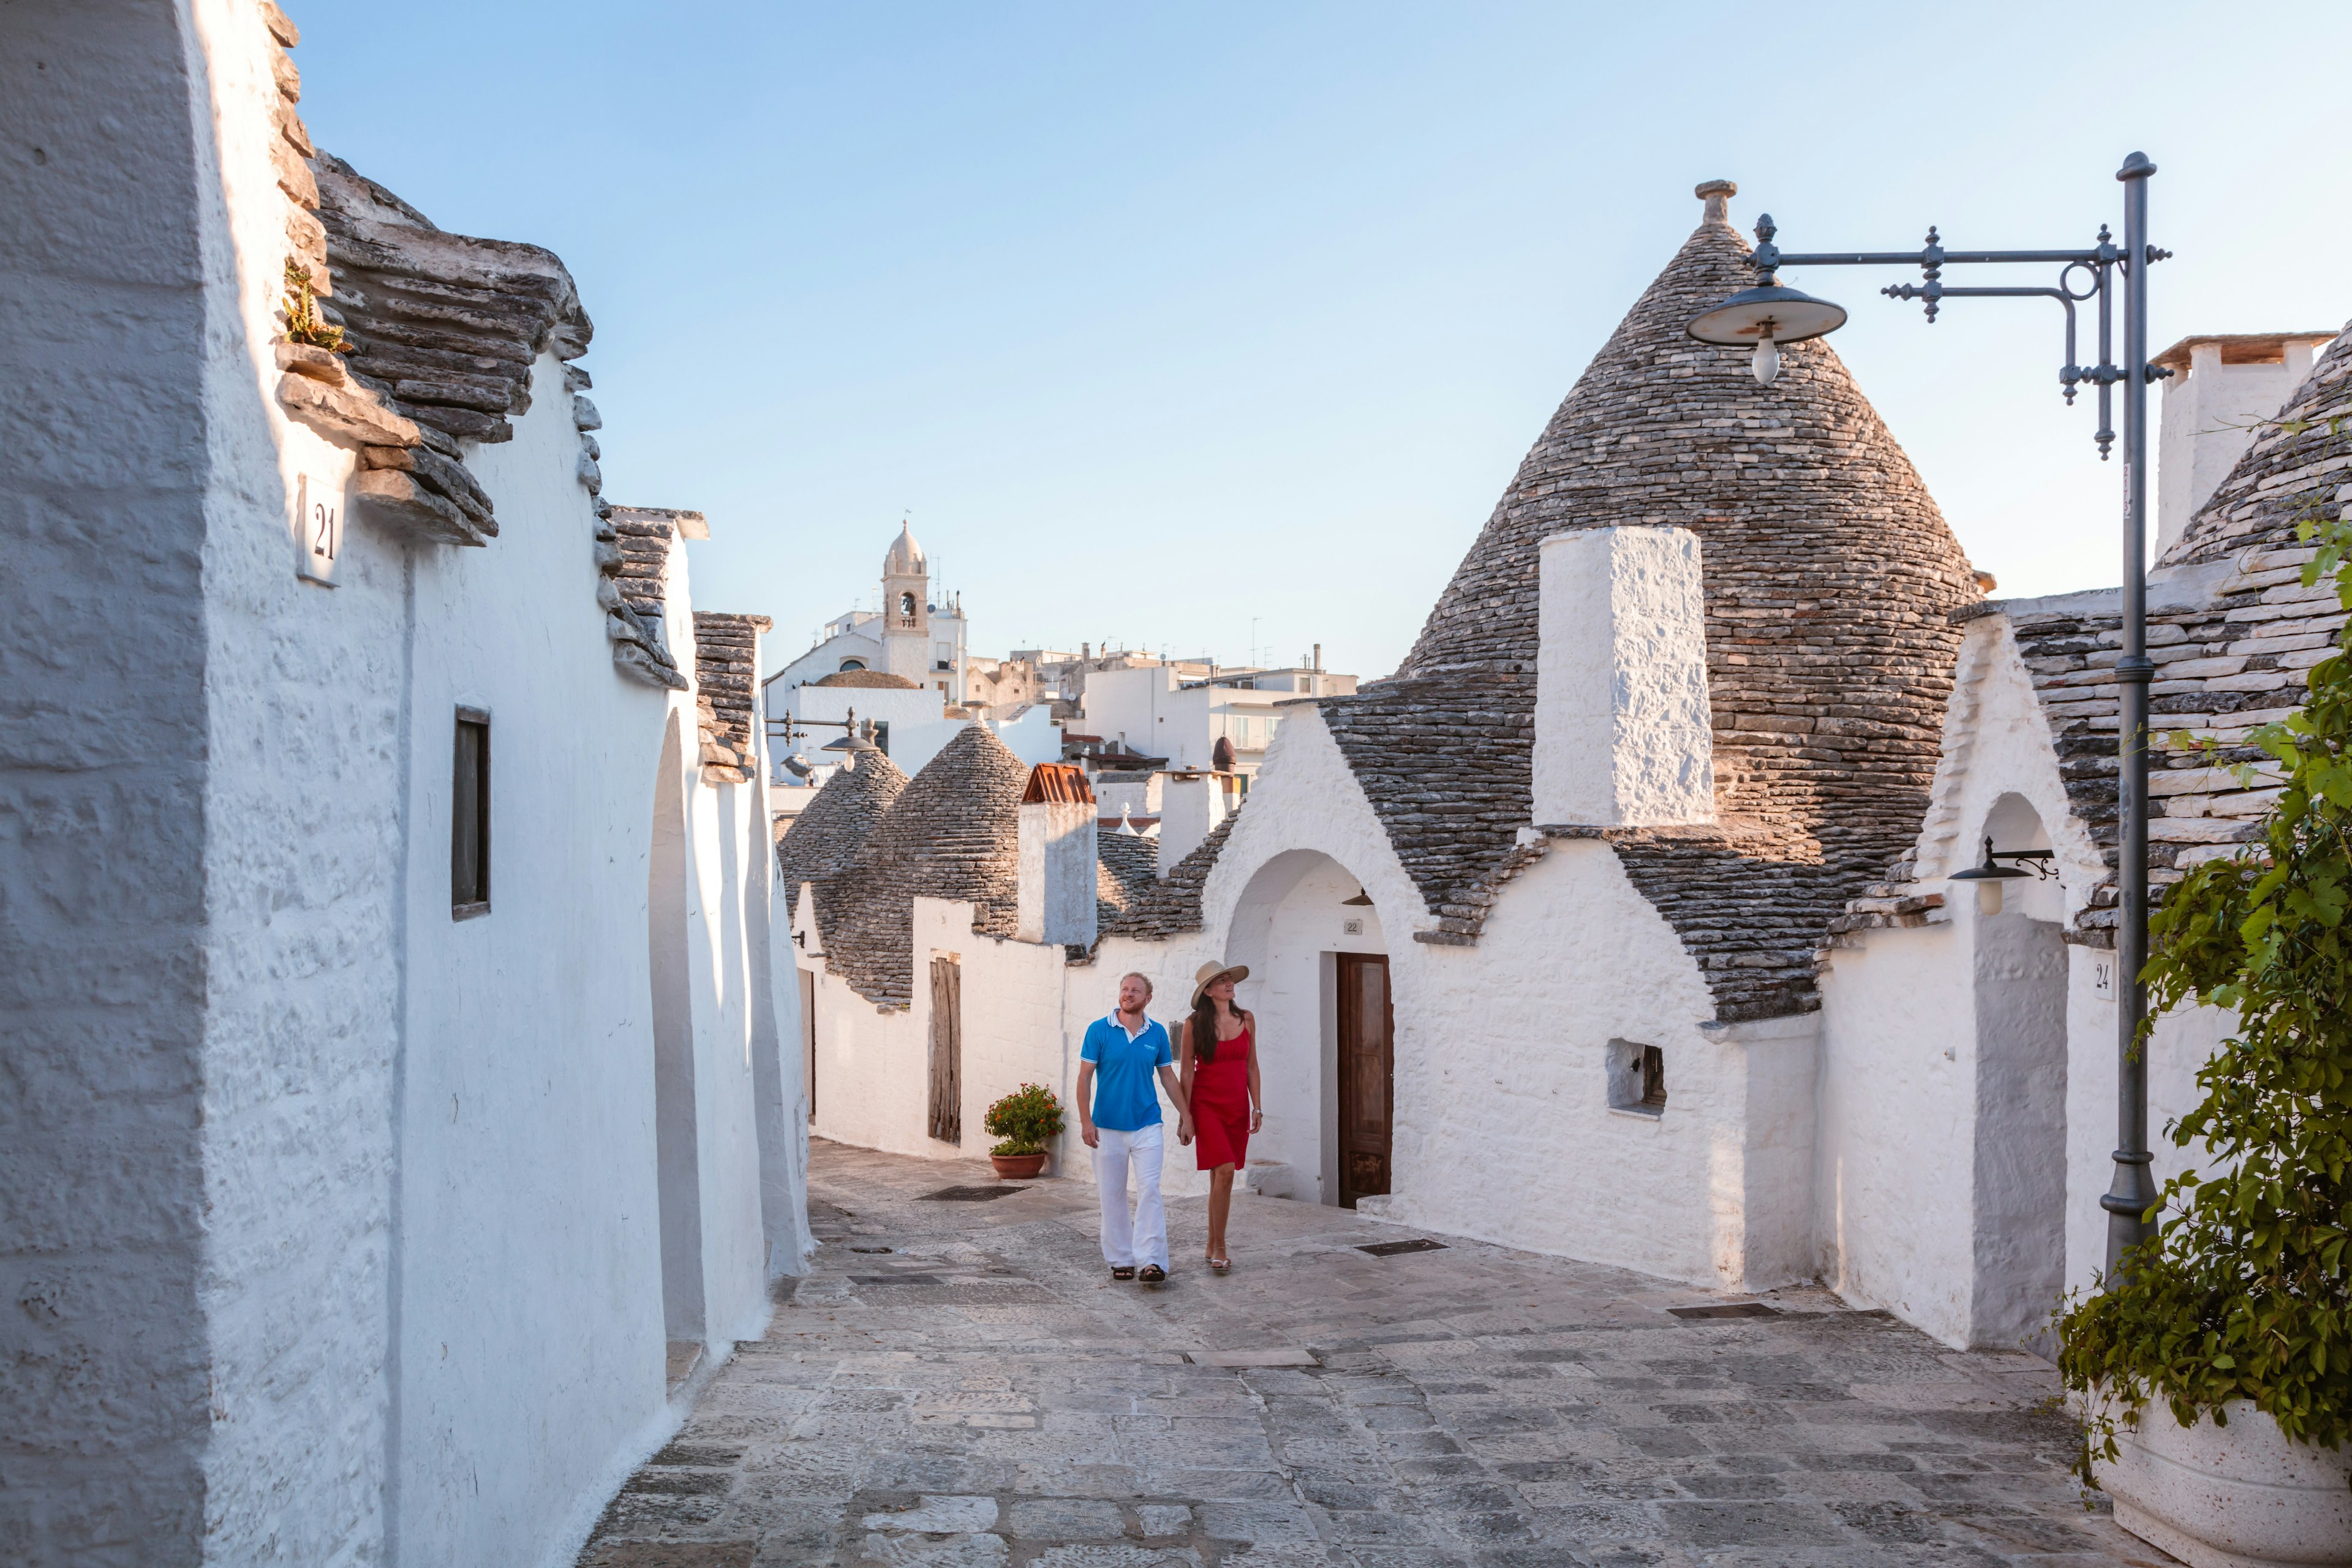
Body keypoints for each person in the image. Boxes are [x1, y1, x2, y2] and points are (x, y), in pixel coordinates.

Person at [1077, 971, 1191, 1284]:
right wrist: (1087, 1121)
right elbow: (1085, 1078)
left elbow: (1168, 1077)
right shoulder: (1099, 1030)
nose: (1128, 994)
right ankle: (1122, 1259)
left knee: (1151, 1191)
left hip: (1147, 1125)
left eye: (1135, 990)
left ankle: (1152, 1261)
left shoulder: (1156, 1034)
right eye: (1125, 989)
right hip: (1107, 1128)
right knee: (1111, 1194)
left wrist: (1187, 1116)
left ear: (1147, 998)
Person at [1178, 961, 1262, 1275]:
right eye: (1222, 981)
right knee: (1225, 1171)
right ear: (1208, 991)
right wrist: (1185, 1116)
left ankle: (1212, 1242)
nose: (1229, 984)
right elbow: (1187, 1071)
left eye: (1230, 979)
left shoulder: (1247, 1019)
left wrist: (1257, 1106)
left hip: (1237, 1106)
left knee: (1220, 1175)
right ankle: (1222, 1247)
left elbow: (1252, 1066)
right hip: (1207, 1105)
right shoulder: (1193, 1025)